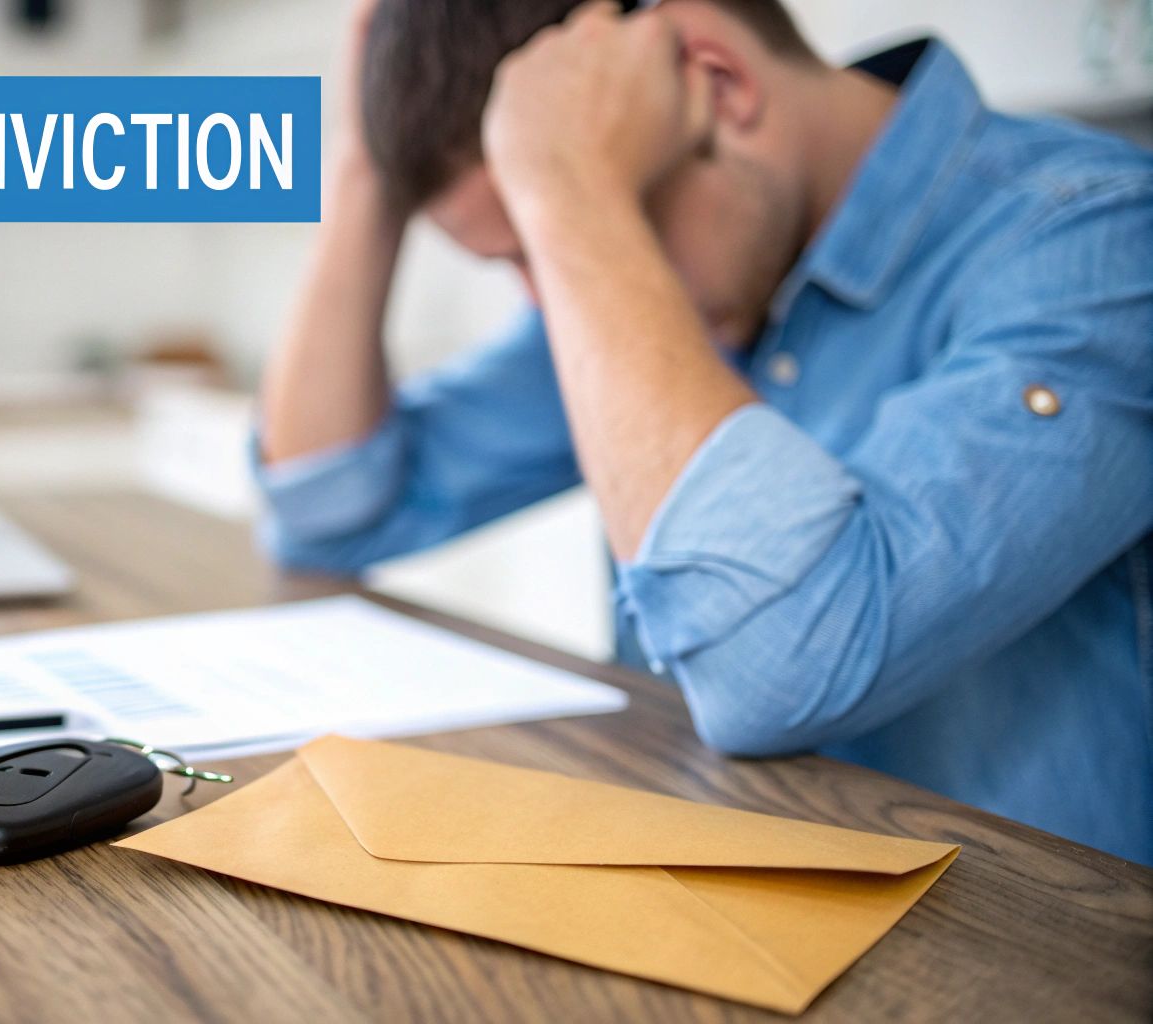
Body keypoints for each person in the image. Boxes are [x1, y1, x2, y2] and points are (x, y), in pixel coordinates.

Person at [254, 0, 1153, 866]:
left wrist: (573, 192)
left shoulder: (1098, 242)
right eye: (519, 255)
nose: (547, 291)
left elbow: (781, 670)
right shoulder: (678, 271)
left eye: (546, 233)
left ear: (717, 84)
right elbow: (325, 510)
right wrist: (364, 172)